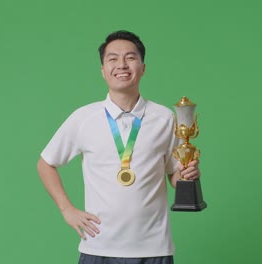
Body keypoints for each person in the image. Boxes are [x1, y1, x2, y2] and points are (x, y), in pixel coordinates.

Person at [37, 30, 201, 264]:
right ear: (103, 71)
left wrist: (187, 175)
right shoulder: (84, 118)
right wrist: (67, 210)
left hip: (153, 249)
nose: (122, 65)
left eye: (131, 57)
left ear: (143, 68)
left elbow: (174, 175)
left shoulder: (165, 118)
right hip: (99, 247)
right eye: (112, 59)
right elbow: (46, 163)